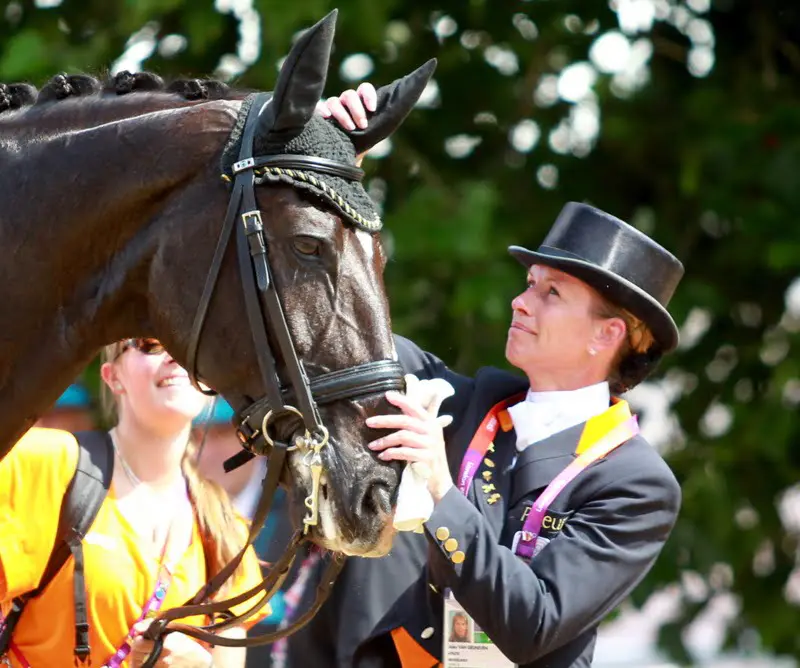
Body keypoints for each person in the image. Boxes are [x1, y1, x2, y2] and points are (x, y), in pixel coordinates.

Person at [281, 88, 686, 667]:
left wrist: (442, 492)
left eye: (552, 293)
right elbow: (334, 331)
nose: (521, 303)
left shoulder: (638, 484)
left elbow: (534, 623)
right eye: (529, 284)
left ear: (607, 335)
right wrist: (326, 164)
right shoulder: (471, 402)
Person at [0, 337, 270, 667]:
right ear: (113, 376)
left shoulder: (226, 529)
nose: (174, 356)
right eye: (151, 344)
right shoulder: (45, 463)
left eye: (188, 344)